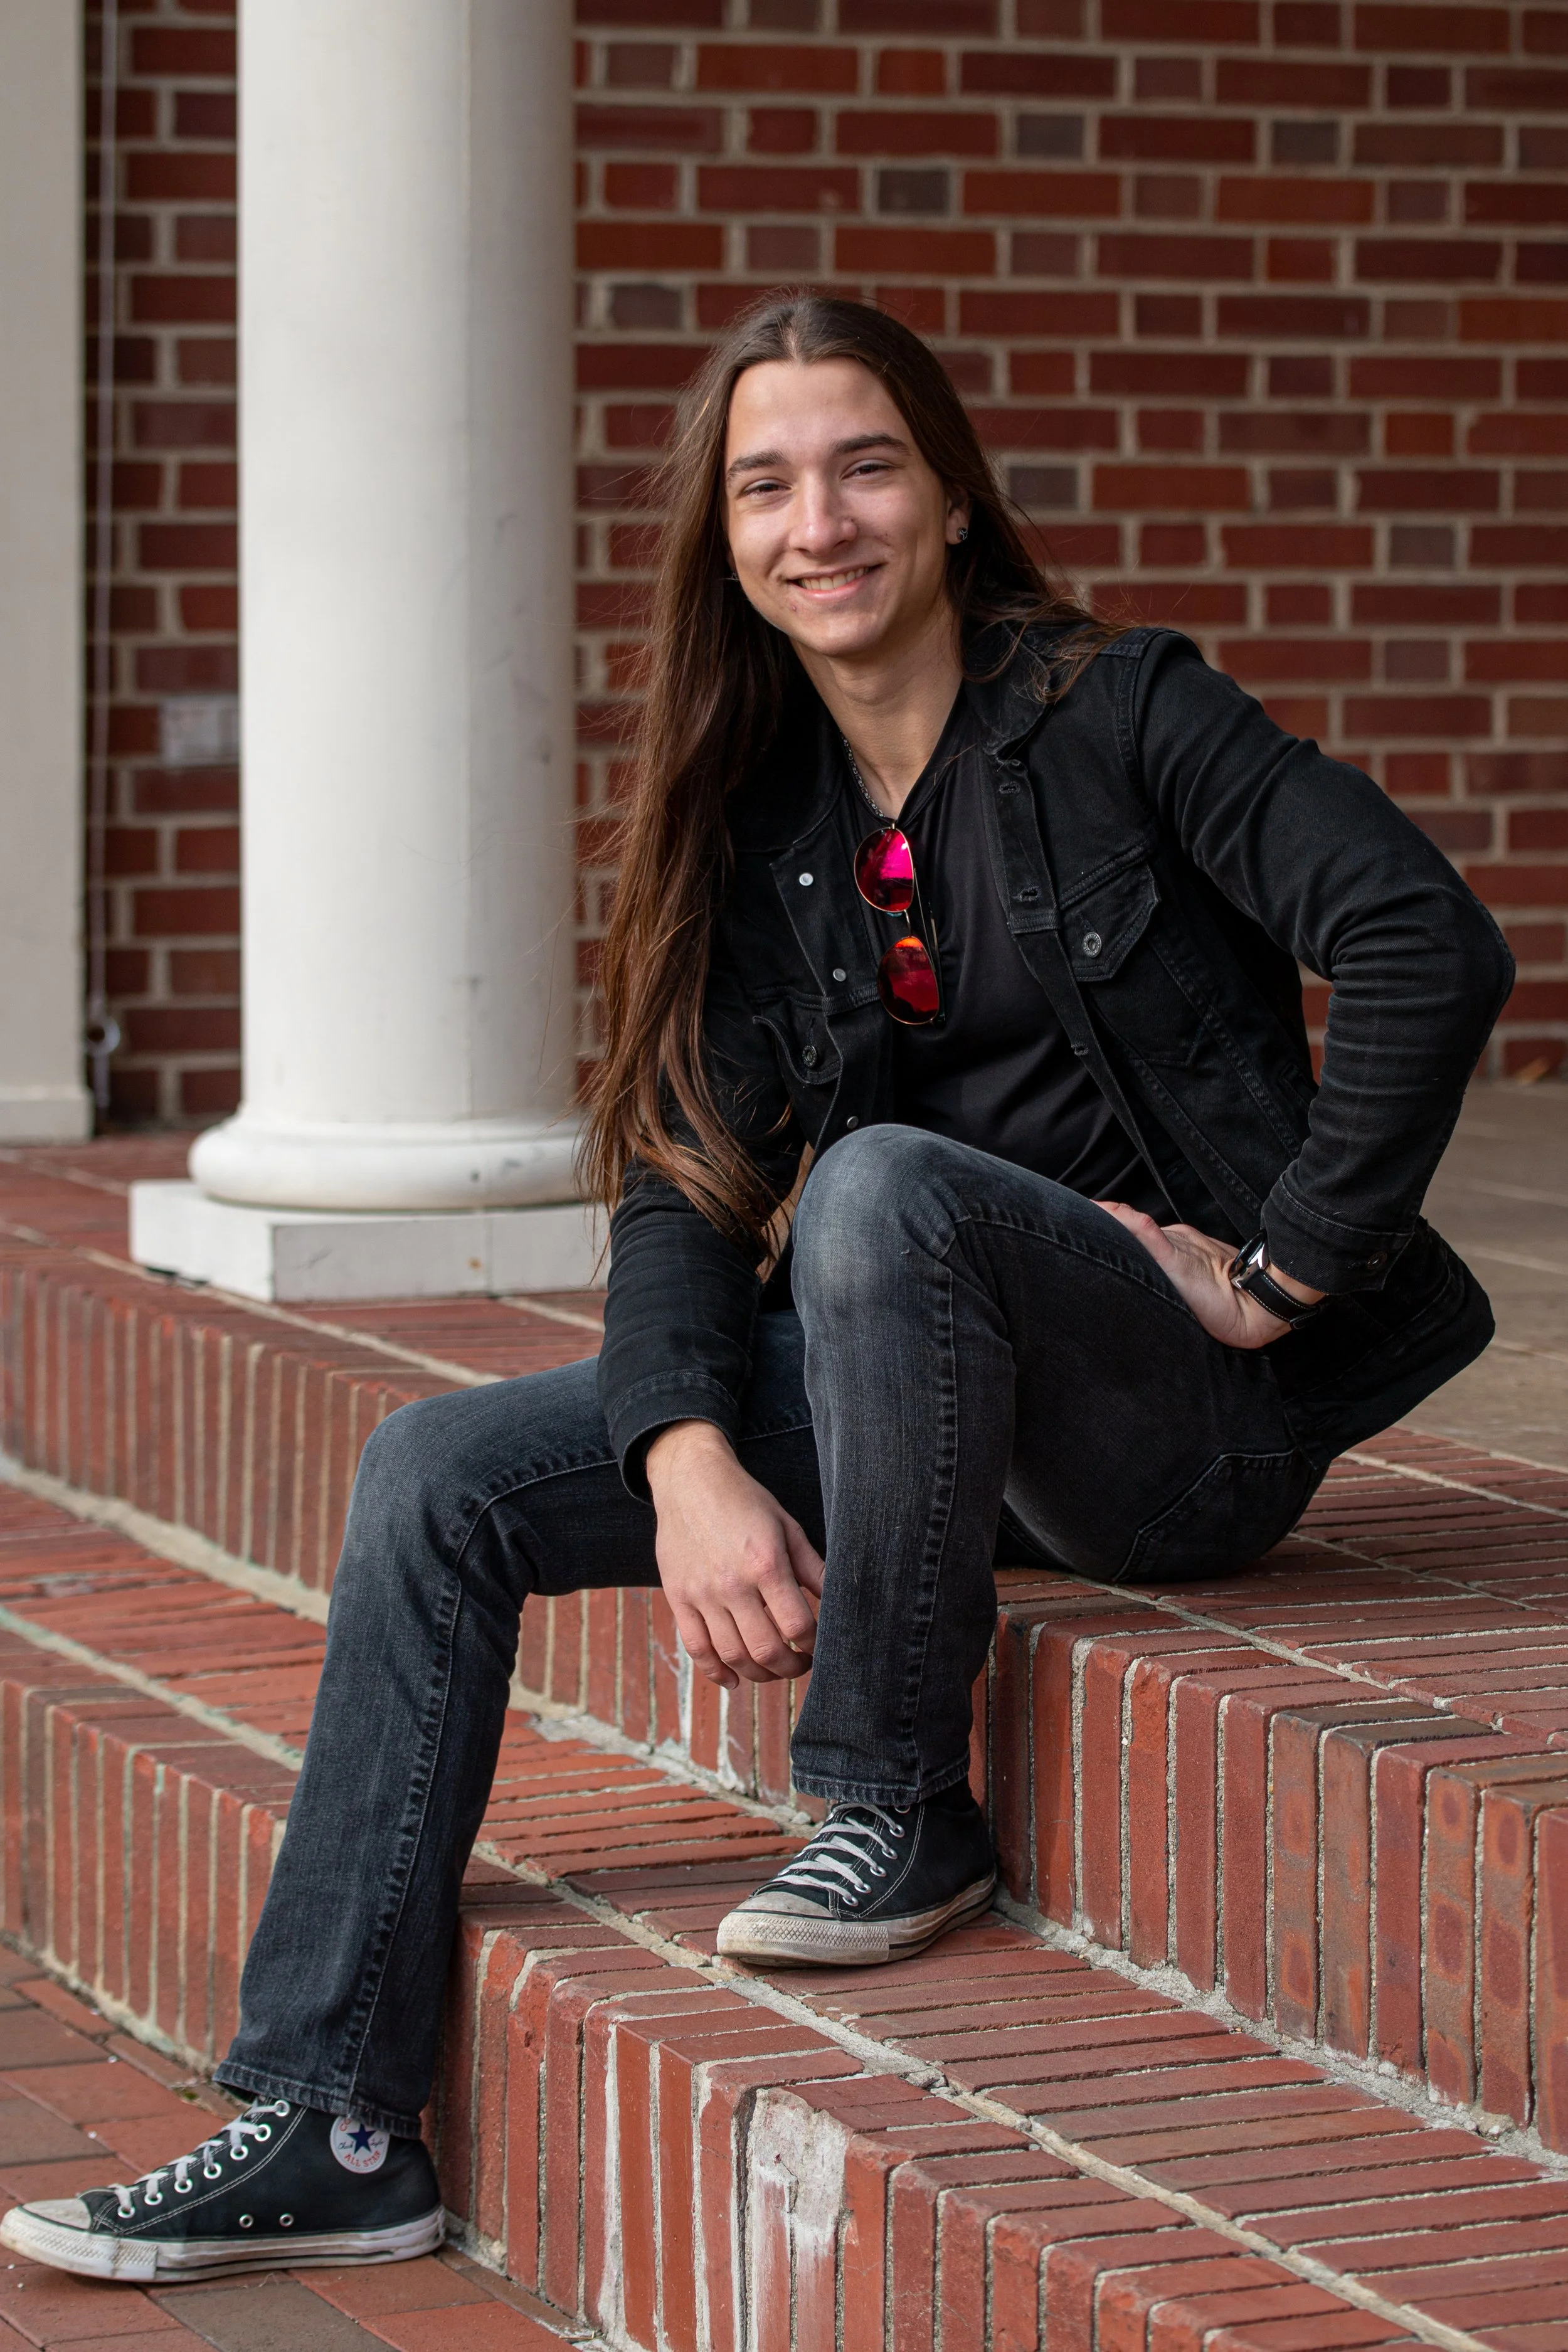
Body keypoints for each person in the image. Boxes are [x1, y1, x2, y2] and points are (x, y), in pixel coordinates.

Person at [3, 295, 1510, 2284]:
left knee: (886, 1186)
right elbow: (679, 1188)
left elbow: (1424, 938)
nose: (823, 520)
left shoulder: (1119, 714)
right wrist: (689, 1451)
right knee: (437, 1470)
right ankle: (333, 2118)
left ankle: (896, 1794)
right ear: (725, 540)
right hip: (934, 1405)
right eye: (767, 482)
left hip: (1178, 1433)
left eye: (867, 463)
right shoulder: (764, 816)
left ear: (952, 498)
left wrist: (1275, 1272)